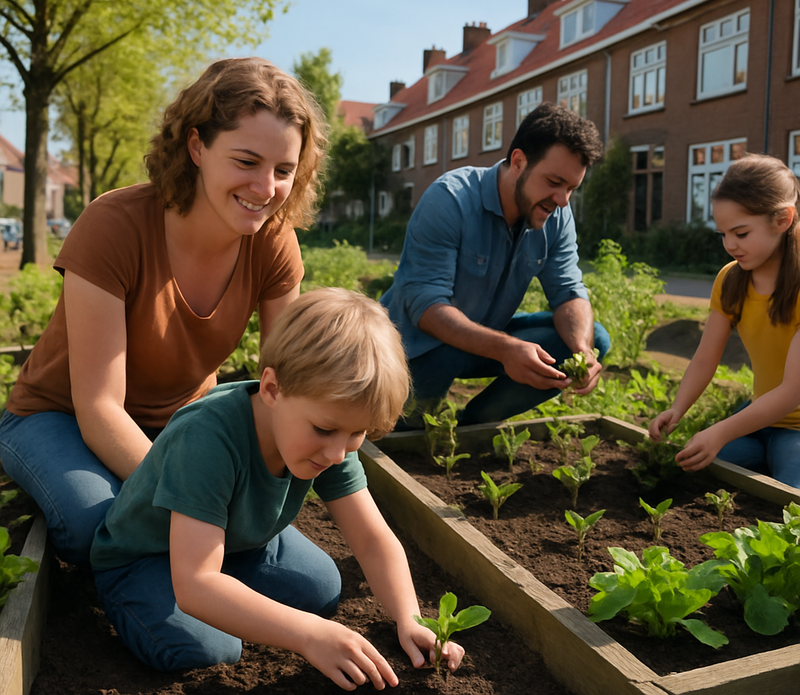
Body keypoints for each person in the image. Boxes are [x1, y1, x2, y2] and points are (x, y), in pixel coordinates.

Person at [0, 57, 325, 566]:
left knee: (303, 576)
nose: (265, 189)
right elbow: (100, 408)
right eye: (246, 162)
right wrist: (198, 499)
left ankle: (195, 571)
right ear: (197, 146)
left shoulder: (274, 243)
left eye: (283, 170)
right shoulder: (115, 226)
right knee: (94, 523)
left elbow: (292, 381)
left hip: (180, 422)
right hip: (58, 417)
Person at [90, 288, 465, 687]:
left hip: (234, 545)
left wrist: (410, 618)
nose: (339, 452)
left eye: (359, 432)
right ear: (271, 389)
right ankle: (129, 598)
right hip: (147, 558)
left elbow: (372, 539)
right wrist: (307, 635)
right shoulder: (208, 438)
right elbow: (196, 585)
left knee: (320, 588)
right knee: (208, 647)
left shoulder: (326, 431)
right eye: (325, 429)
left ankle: (233, 589)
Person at [381, 102, 610, 427]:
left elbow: (569, 292)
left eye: (572, 188)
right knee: (401, 433)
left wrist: (581, 350)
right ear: (518, 161)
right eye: (554, 182)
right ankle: (414, 416)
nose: (562, 200)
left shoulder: (556, 214)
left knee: (594, 339)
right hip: (414, 348)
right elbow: (426, 307)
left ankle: (477, 422)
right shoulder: (451, 199)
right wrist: (505, 348)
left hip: (485, 338)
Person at [649, 155, 800, 488]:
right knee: (697, 466)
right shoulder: (731, 279)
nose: (730, 245)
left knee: (790, 501)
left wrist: (719, 431)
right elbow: (705, 358)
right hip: (759, 419)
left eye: (741, 233)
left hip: (797, 427)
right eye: (723, 234)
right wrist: (678, 409)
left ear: (783, 219)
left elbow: (792, 392)